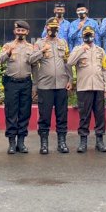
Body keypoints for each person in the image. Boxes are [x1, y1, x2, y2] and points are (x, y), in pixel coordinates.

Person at [30, 17, 73, 154]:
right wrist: (42, 51)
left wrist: (70, 80)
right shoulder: (39, 43)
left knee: (62, 115)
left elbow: (67, 63)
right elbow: (31, 60)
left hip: (61, 84)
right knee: (44, 116)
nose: (53, 30)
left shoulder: (63, 42)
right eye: (51, 28)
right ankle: (44, 144)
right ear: (46, 28)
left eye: (55, 28)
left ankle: (62, 142)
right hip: (45, 85)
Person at [67, 25, 106, 153]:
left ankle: (99, 141)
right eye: (86, 34)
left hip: (98, 87)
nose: (88, 36)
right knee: (84, 116)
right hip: (84, 88)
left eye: (90, 34)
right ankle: (83, 141)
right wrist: (81, 50)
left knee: (100, 115)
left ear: (94, 35)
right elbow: (69, 62)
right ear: (82, 36)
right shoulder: (77, 49)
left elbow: (105, 69)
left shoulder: (100, 51)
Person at [0, 20, 35, 154]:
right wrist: (8, 53)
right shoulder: (8, 45)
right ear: (14, 31)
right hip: (11, 83)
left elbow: (35, 67)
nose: (20, 32)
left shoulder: (31, 47)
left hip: (26, 83)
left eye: (23, 30)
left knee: (24, 113)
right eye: (18, 30)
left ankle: (21, 142)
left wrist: (35, 85)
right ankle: (12, 142)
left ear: (27, 32)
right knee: (11, 113)